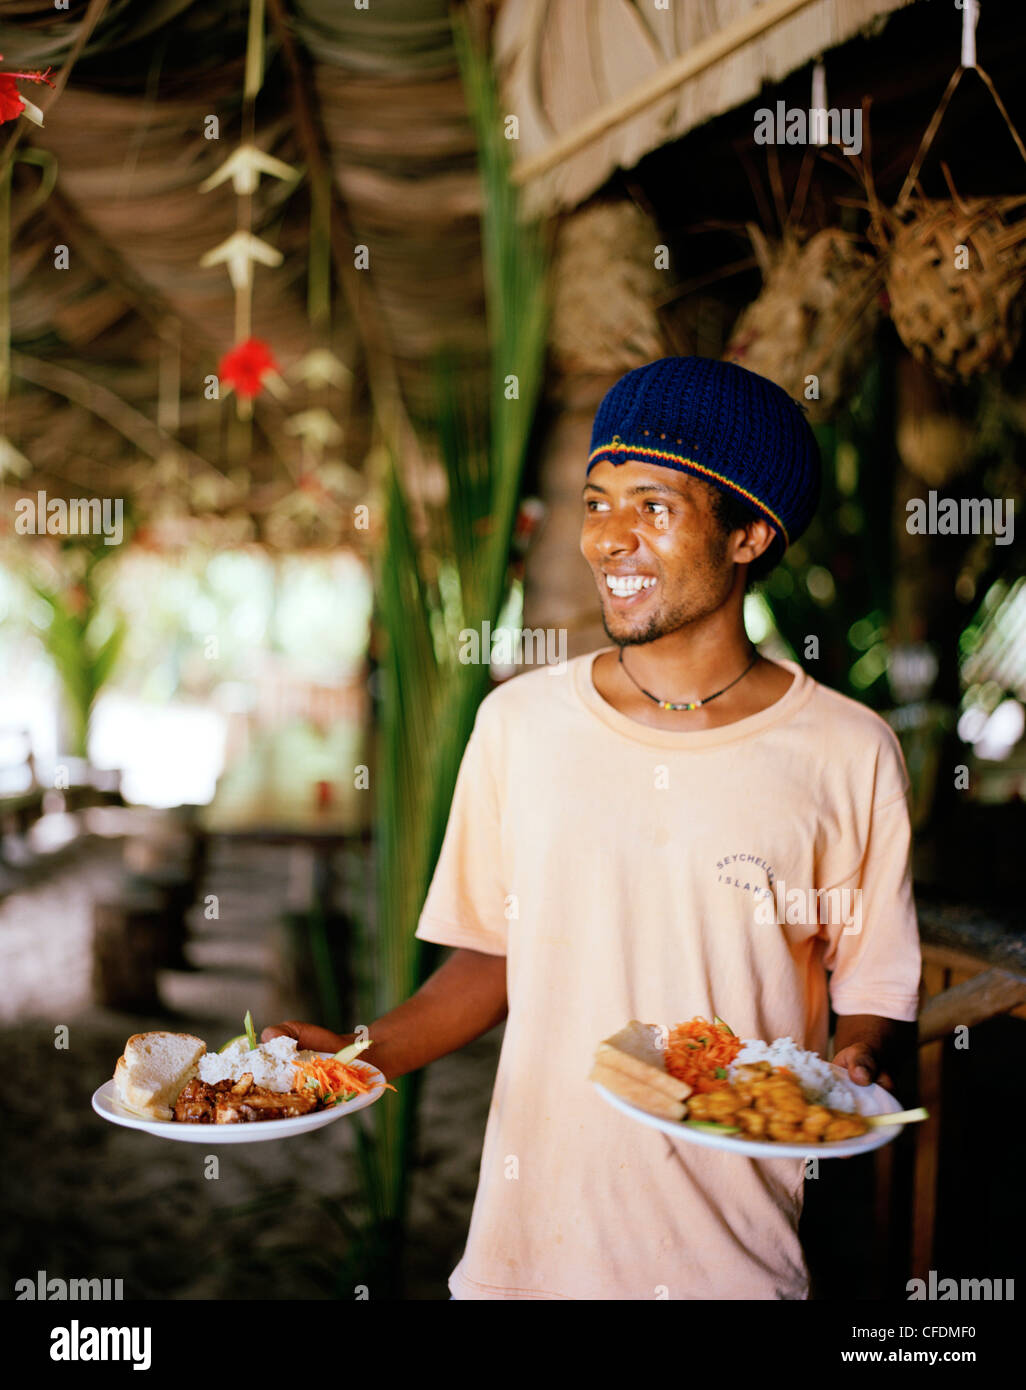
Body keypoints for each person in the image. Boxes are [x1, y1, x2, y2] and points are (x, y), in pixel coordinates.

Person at [264, 356, 922, 1300]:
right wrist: (356, 1059)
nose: (608, 538)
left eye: (652, 507)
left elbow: (876, 984)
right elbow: (492, 957)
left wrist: (855, 1063)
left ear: (749, 533)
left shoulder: (846, 751)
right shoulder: (519, 726)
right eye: (596, 500)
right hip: (522, 1262)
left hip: (732, 1266)